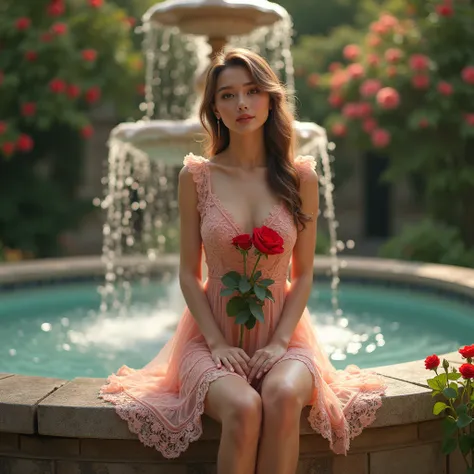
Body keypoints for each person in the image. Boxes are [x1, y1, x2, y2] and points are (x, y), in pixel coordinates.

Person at [99, 47, 386, 474]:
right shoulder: (197, 177)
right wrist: (215, 342)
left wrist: (278, 342)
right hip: (210, 337)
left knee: (283, 396)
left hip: (284, 335)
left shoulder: (299, 177)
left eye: (252, 91)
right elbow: (187, 272)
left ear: (271, 99)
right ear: (214, 107)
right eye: (227, 95)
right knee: (245, 407)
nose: (242, 104)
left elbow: (303, 274)